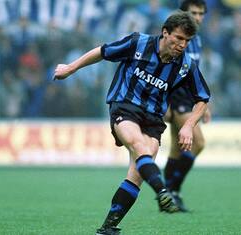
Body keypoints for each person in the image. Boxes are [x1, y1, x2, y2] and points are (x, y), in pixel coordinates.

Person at [53, 11, 210, 235]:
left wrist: (188, 125)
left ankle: (108, 228)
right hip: (125, 106)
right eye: (178, 38)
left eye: (187, 41)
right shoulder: (139, 43)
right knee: (140, 147)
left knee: (137, 173)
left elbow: (203, 97)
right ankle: (162, 191)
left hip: (153, 119)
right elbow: (102, 52)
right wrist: (71, 68)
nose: (182, 45)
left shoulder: (186, 66)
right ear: (165, 33)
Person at [163, 0, 210, 212]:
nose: (198, 17)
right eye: (193, 13)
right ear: (183, 14)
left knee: (176, 148)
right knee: (197, 142)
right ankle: (171, 190)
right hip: (176, 98)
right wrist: (166, 100)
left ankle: (169, 194)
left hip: (188, 98)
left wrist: (202, 104)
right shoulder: (176, 38)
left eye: (201, 13)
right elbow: (164, 68)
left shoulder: (196, 40)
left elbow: (194, 74)